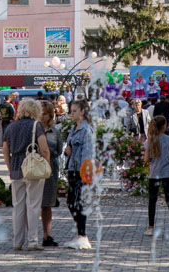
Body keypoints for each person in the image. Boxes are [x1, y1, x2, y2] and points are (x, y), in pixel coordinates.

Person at [2, 98, 52, 251]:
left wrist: (10, 168)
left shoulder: (10, 127)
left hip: (16, 169)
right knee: (33, 205)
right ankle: (32, 241)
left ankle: (17, 242)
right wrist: (47, 164)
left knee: (18, 207)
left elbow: (5, 150)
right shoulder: (36, 126)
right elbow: (44, 149)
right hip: (32, 169)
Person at [63, 99, 95, 250]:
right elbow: (69, 148)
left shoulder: (86, 130)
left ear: (83, 111)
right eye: (71, 110)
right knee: (71, 202)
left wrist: (85, 175)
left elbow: (87, 154)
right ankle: (80, 234)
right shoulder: (73, 128)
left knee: (77, 202)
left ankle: (83, 236)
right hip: (72, 169)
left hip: (80, 172)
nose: (72, 113)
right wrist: (66, 151)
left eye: (75, 110)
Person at [144, 115, 169, 238]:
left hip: (154, 173)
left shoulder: (150, 141)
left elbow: (146, 159)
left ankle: (150, 227)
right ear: (164, 126)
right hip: (168, 173)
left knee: (152, 200)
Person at [37, 100, 63, 246]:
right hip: (35, 168)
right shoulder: (34, 130)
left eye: (45, 114)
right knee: (34, 203)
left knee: (47, 204)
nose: (42, 116)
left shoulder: (55, 132)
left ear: (51, 115)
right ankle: (33, 235)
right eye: (40, 113)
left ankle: (47, 236)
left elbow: (59, 150)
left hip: (50, 168)